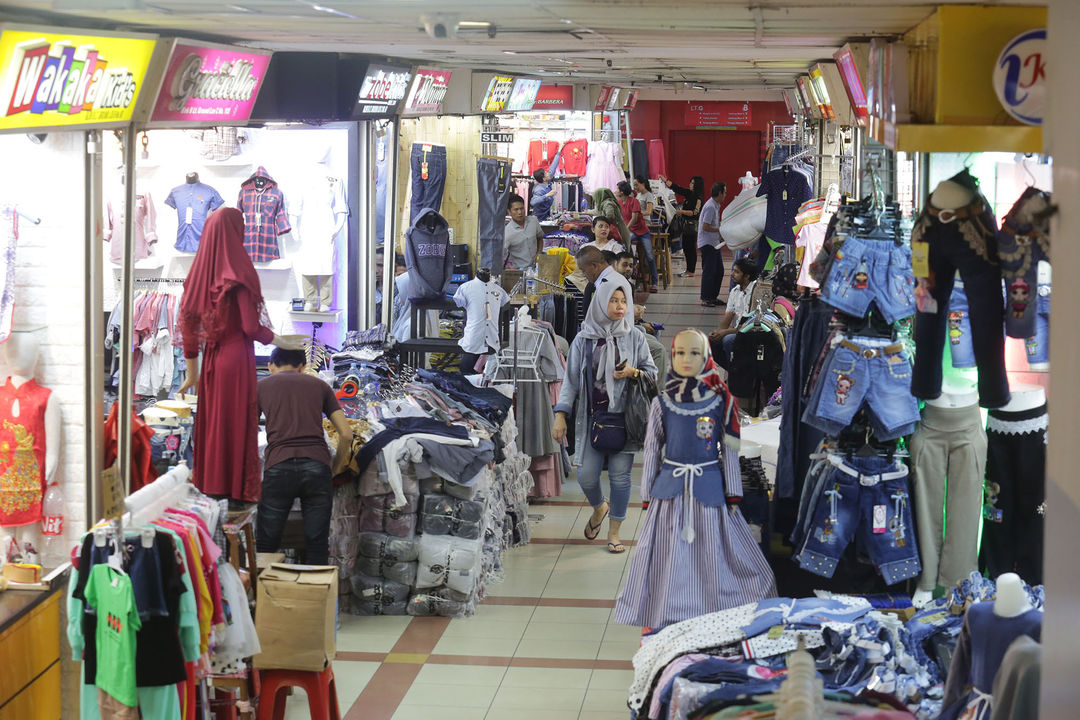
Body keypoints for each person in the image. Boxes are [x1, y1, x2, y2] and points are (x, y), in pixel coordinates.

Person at [614, 329, 776, 629]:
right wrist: (647, 492)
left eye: (694, 353)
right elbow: (652, 451)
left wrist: (734, 493)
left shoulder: (721, 402)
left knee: (711, 551)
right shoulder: (661, 404)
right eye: (679, 353)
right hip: (670, 492)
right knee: (668, 551)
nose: (686, 359)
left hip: (709, 489)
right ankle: (668, 607)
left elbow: (730, 449)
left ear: (706, 357)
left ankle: (708, 605)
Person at [177, 208, 302, 503]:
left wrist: (192, 372)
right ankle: (235, 491)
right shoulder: (239, 272)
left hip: (212, 361)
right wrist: (285, 341)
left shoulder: (199, 274)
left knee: (214, 424)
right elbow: (250, 326)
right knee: (235, 422)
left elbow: (188, 326)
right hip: (236, 359)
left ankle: (213, 485)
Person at [553, 272, 657, 554]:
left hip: (625, 420)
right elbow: (570, 381)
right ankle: (600, 507)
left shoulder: (635, 336)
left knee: (621, 477)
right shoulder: (584, 340)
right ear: (600, 302)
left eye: (624, 300)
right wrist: (560, 414)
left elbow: (652, 373)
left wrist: (633, 372)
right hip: (593, 420)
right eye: (613, 300)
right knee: (587, 476)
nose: (620, 306)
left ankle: (614, 531)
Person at [256, 347, 353, 565]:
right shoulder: (320, 386)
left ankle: (264, 596)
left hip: (278, 467)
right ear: (303, 367)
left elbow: (245, 433)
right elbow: (346, 434)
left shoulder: (260, 387)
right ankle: (315, 595)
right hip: (317, 467)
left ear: (271, 365)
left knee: (267, 542)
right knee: (317, 542)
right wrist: (335, 467)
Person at [709, 257, 760, 371]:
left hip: (751, 332)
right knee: (711, 341)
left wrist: (726, 332)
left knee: (729, 340)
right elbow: (728, 317)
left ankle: (738, 373)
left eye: (737, 272)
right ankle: (734, 371)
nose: (732, 274)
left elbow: (751, 325)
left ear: (746, 276)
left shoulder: (756, 292)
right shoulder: (735, 291)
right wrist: (718, 332)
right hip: (736, 331)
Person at [617, 180, 658, 293]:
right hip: (631, 231)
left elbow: (634, 218)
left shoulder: (634, 201)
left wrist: (625, 229)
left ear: (622, 191)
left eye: (617, 189)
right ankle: (633, 263)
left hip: (642, 231)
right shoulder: (619, 202)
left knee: (649, 256)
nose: (616, 191)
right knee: (624, 243)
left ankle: (654, 282)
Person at [661, 174, 704, 277]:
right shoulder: (689, 194)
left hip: (692, 225)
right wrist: (665, 180)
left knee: (691, 248)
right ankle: (688, 270)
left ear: (697, 185)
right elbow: (677, 188)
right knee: (686, 246)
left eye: (692, 183)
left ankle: (691, 271)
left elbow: (695, 212)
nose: (690, 184)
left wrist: (682, 211)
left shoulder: (698, 198)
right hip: (685, 225)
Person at [698, 181, 727, 307]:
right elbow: (705, 226)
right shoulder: (710, 206)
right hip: (707, 243)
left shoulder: (716, 205)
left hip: (714, 243)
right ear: (719, 193)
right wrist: (720, 229)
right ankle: (706, 298)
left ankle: (713, 296)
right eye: (724, 192)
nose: (726, 195)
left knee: (719, 271)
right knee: (709, 271)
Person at [504, 193, 544, 270]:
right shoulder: (507, 232)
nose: (520, 212)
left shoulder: (534, 221)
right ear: (509, 212)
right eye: (516, 209)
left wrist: (539, 253)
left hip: (537, 269)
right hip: (519, 271)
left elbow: (539, 238)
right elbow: (501, 255)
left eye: (522, 208)